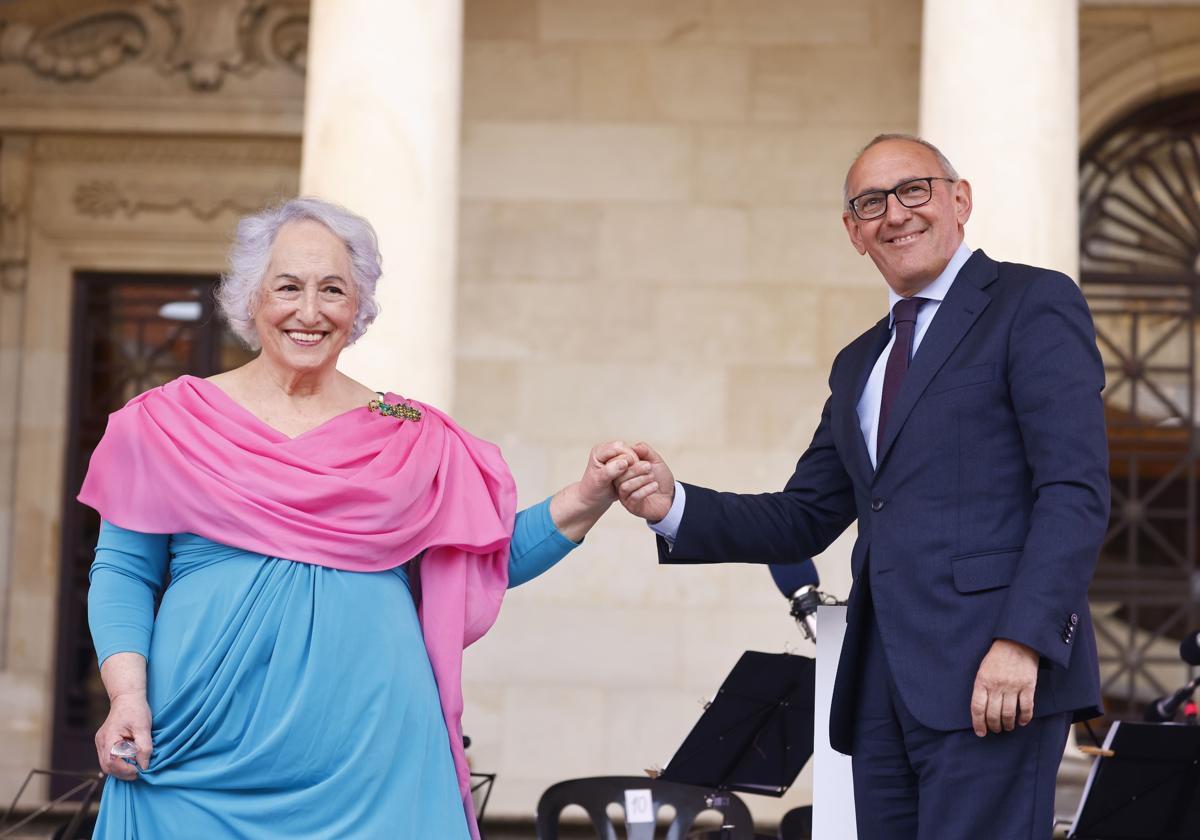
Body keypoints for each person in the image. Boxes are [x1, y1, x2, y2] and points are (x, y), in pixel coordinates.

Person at [80, 197, 635, 839]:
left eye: (333, 290)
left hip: (375, 760)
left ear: (358, 307)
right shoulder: (166, 422)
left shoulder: (413, 435)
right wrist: (126, 695)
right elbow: (124, 570)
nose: (309, 312)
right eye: (288, 286)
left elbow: (484, 560)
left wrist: (588, 496)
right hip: (198, 746)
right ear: (251, 297)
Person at [614, 134, 1108, 840]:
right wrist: (673, 506)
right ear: (853, 232)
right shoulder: (860, 362)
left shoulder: (1033, 303)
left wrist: (1022, 641)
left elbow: (1074, 489)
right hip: (880, 691)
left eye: (915, 190)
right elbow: (805, 516)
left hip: (993, 678)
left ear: (959, 200)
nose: (895, 214)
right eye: (870, 203)